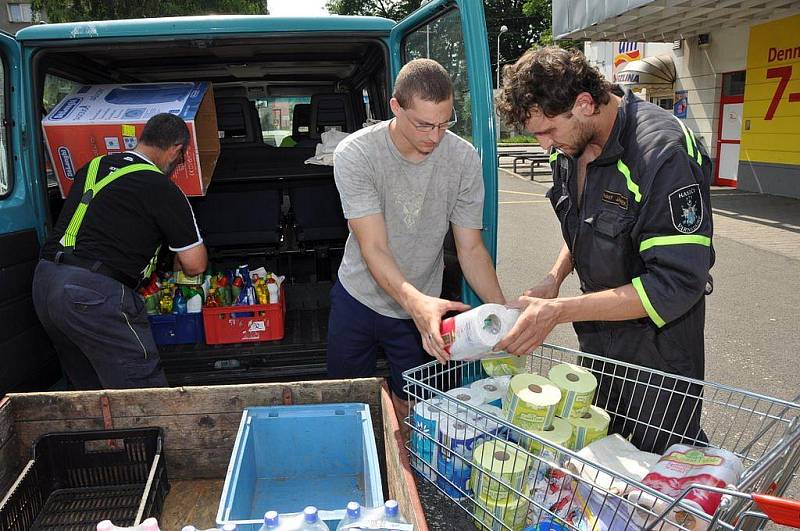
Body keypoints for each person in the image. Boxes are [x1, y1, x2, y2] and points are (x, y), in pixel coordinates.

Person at [494, 47, 714, 454]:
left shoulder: (661, 154)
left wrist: (561, 312)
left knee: (661, 460)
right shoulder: (571, 147)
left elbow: (675, 283)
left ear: (584, 104)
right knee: (604, 445)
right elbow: (585, 226)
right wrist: (554, 278)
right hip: (597, 330)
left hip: (658, 348)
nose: (544, 146)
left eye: (548, 131)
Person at [328, 58, 506, 417]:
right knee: (347, 403)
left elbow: (470, 248)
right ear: (395, 107)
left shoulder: (463, 158)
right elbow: (373, 247)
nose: (435, 136)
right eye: (424, 124)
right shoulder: (356, 153)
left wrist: (503, 315)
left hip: (422, 306)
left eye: (444, 123)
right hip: (358, 299)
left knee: (414, 406)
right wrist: (418, 305)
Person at [33, 113, 207, 390]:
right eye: (181, 157)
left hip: (46, 283)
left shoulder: (92, 166)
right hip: (93, 295)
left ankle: (100, 432)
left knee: (88, 386)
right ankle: (144, 434)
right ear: (176, 150)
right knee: (140, 386)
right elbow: (195, 265)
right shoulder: (161, 187)